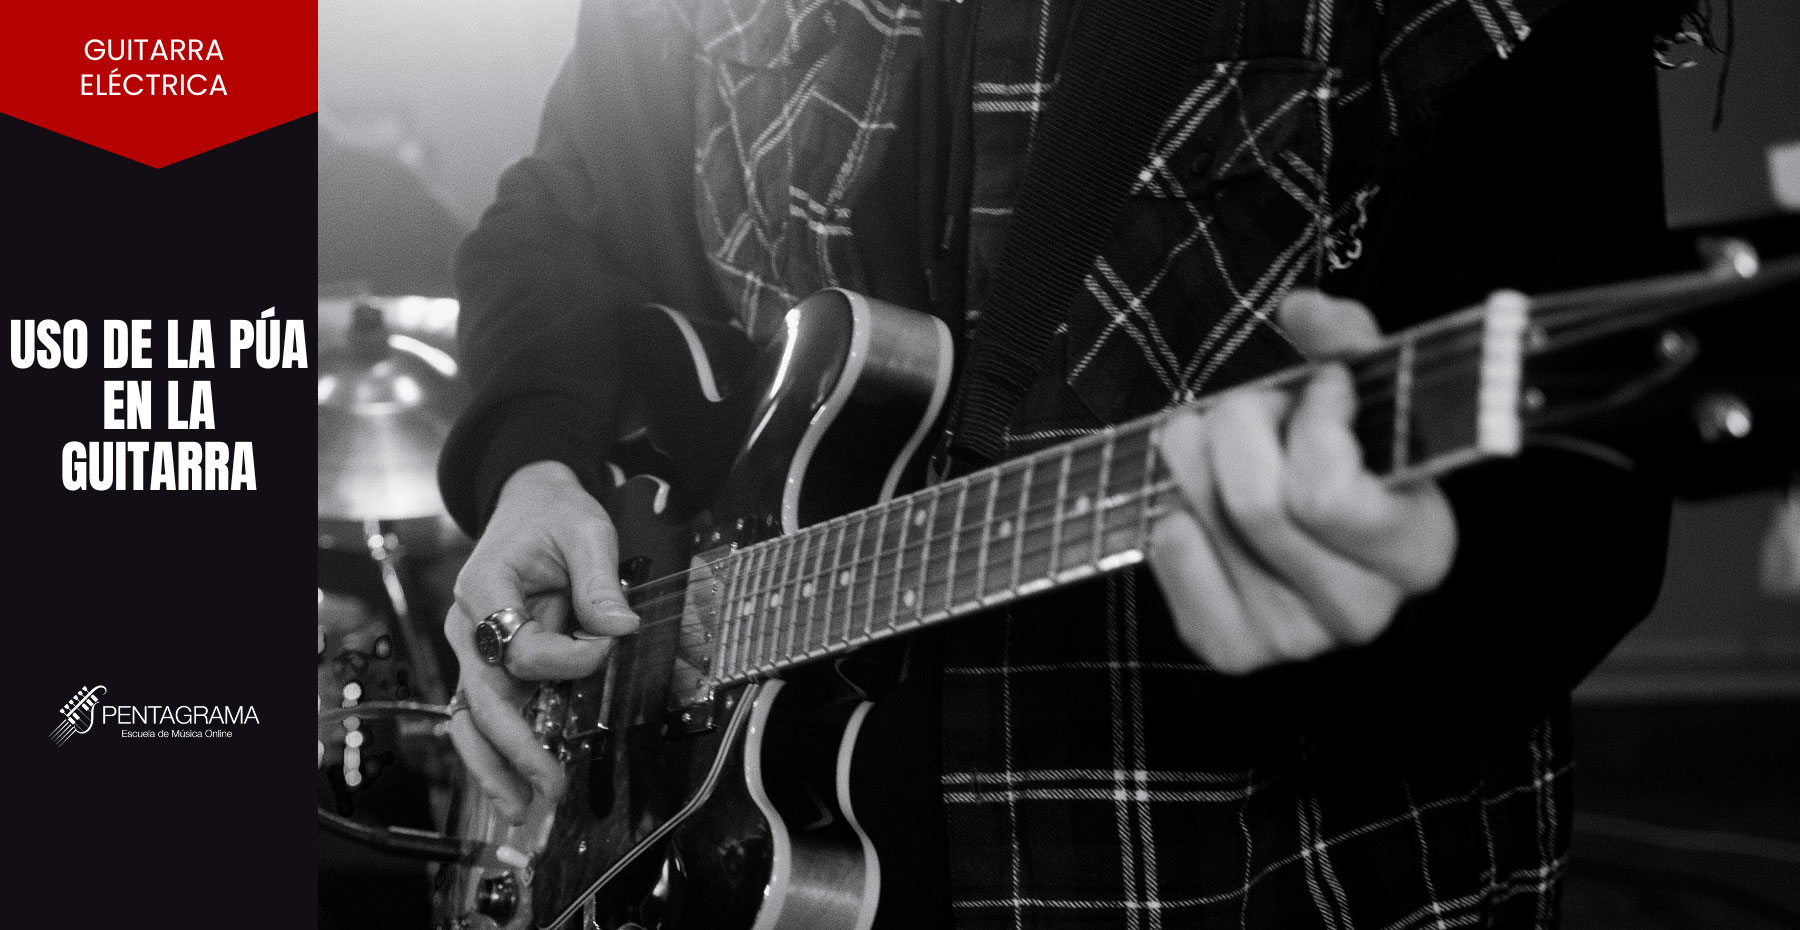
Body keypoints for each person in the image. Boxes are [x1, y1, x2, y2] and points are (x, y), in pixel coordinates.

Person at [437, 0, 1689, 924]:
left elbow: (1582, 517)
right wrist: (531, 462)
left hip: (1247, 885)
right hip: (743, 872)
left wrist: (1394, 614)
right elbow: (554, 214)